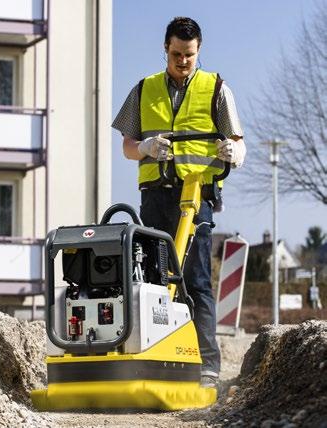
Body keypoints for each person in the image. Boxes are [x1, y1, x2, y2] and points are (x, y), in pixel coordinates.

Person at [112, 16, 246, 388]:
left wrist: (233, 151)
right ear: (165, 49)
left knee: (197, 279)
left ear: (198, 50)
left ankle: (206, 366)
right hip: (155, 195)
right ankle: (153, 356)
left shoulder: (216, 87)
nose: (182, 61)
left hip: (197, 194)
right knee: (153, 278)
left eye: (188, 54)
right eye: (175, 54)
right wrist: (143, 147)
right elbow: (126, 146)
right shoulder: (144, 89)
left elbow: (239, 141)